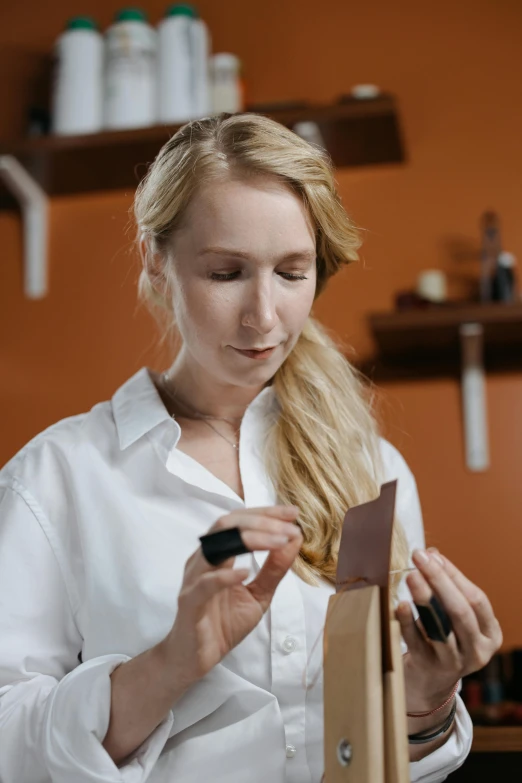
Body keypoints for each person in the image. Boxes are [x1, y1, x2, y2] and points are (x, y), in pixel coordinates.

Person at [0, 113, 502, 783]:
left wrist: (432, 692)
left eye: (291, 273)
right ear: (157, 259)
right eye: (226, 272)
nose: (264, 316)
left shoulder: (371, 466)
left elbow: (389, 758)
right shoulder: (56, 478)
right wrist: (169, 663)